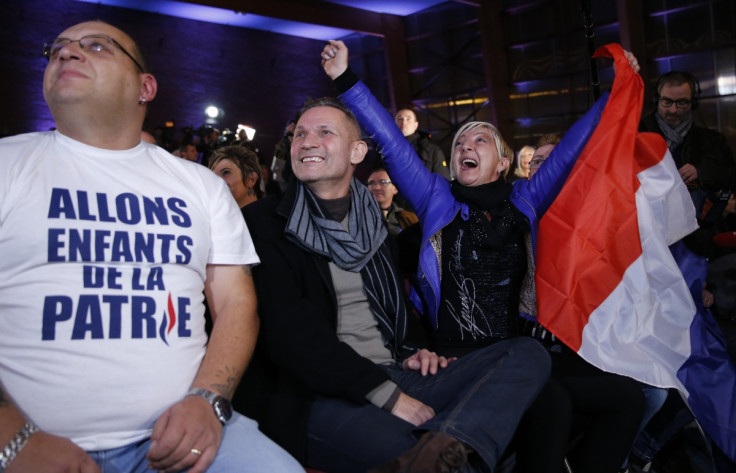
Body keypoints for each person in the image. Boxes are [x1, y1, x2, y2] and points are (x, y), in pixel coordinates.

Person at [322, 40, 646, 473]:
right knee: (550, 404)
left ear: (502, 163)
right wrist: (346, 79)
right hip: (455, 360)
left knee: (627, 398)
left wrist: (616, 93)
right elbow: (390, 141)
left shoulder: (525, 199)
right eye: (459, 143)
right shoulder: (435, 197)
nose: (466, 146)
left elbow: (572, 149)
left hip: (518, 354)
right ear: (453, 163)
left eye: (480, 139)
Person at [0, 20, 302, 473]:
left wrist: (208, 401)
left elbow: (237, 304)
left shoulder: (200, 186)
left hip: (180, 431)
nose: (66, 53)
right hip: (24, 438)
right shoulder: (8, 164)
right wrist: (11, 436)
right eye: (57, 48)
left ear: (145, 86)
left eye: (96, 46)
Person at [241, 93, 552, 472]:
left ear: (356, 152)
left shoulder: (372, 223)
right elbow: (292, 336)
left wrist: (418, 350)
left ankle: (444, 444)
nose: (307, 141)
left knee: (525, 353)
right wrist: (390, 398)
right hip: (320, 393)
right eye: (300, 133)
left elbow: (399, 309)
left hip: (397, 369)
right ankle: (445, 451)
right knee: (451, 461)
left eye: (324, 132)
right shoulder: (264, 222)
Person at [639, 71, 736, 214]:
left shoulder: (713, 140)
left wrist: (701, 172)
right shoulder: (637, 135)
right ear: (657, 100)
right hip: (651, 224)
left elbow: (731, 176)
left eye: (681, 103)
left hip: (699, 230)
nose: (673, 109)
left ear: (693, 103)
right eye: (667, 102)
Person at [395, 108, 450, 179]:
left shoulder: (431, 150)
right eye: (400, 119)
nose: (403, 122)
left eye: (408, 119)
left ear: (416, 125)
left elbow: (443, 181)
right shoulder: (384, 149)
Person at [367, 167, 418, 235]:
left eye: (383, 182)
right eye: (372, 183)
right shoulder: (358, 216)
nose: (377, 187)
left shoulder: (409, 218)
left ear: (395, 188)